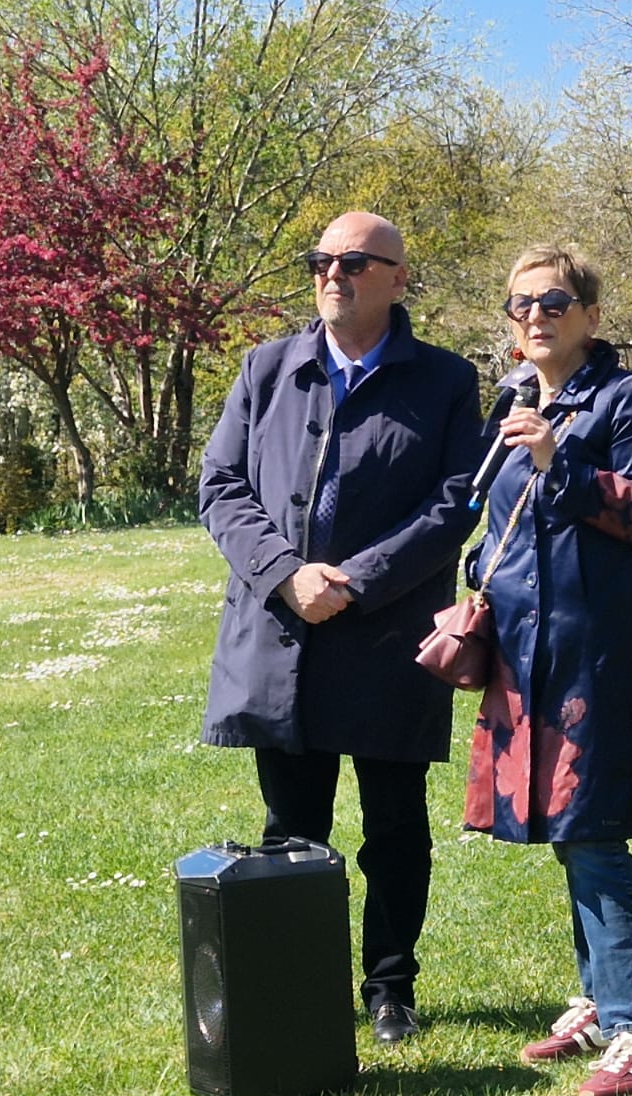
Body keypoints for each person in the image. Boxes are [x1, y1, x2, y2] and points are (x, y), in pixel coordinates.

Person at [199, 211, 483, 1044]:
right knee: (292, 832)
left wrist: (355, 580)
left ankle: (391, 989)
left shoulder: (442, 380)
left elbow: (454, 504)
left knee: (394, 828)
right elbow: (220, 484)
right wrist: (286, 574)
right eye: (321, 260)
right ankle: (303, 987)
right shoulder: (266, 368)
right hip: (283, 633)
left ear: (398, 278)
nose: (333, 274)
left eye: (354, 262)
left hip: (387, 638)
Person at [463, 244, 632, 1096]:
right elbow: (502, 520)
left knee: (592, 833)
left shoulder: (626, 398)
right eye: (521, 305)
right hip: (525, 651)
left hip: (593, 651)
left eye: (554, 303)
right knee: (567, 829)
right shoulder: (515, 400)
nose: (535, 318)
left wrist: (565, 462)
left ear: (590, 317)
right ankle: (600, 1003)